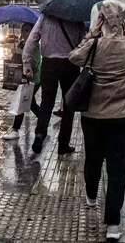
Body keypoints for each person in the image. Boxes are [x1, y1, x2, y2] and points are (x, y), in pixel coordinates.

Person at [69, 2, 125, 240]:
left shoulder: (93, 46)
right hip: (123, 117)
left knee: (93, 158)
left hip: (93, 116)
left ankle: (91, 197)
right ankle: (113, 225)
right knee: (117, 168)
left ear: (99, 21)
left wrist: (91, 34)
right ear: (121, 22)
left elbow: (73, 57)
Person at [22, 14, 85, 154]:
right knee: (69, 106)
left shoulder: (45, 17)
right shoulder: (76, 18)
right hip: (70, 64)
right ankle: (63, 144)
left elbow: (32, 40)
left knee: (46, 102)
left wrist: (26, 64)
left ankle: (40, 135)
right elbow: (83, 44)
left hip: (49, 64)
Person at [3, 23, 41, 140]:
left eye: (27, 30)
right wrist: (14, 55)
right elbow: (17, 63)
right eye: (22, 30)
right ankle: (44, 120)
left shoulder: (34, 46)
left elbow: (35, 63)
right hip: (22, 79)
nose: (24, 33)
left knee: (21, 103)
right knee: (31, 104)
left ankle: (15, 129)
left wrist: (21, 53)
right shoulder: (21, 44)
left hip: (33, 80)